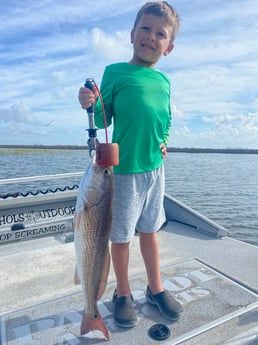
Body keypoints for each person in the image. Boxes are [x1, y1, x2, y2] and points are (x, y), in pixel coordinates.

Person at [78, 1, 183, 328]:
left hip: (155, 171)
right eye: (146, 30)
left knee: (150, 231)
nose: (151, 37)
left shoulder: (164, 82)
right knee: (121, 236)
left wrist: (165, 140)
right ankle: (122, 293)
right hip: (122, 172)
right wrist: (89, 101)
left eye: (160, 34)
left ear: (169, 47)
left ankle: (155, 288)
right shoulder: (115, 72)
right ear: (132, 34)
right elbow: (102, 115)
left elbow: (165, 120)